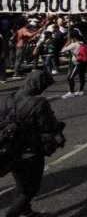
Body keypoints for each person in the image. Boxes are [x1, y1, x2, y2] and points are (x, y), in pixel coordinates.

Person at [0, 70, 65, 217]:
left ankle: (26, 212)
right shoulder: (39, 102)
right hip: (31, 152)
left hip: (10, 150)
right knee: (30, 190)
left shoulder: (8, 98)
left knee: (21, 184)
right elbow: (48, 127)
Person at [60, 33, 87, 99]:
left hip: (77, 63)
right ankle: (81, 91)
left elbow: (62, 50)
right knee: (82, 76)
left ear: (74, 38)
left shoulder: (74, 44)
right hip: (85, 62)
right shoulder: (83, 43)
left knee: (70, 77)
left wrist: (67, 44)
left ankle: (71, 92)